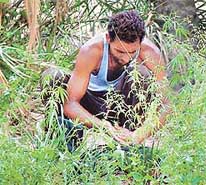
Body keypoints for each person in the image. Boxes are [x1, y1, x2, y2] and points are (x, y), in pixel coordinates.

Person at [45, 10, 169, 149]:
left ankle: (127, 144)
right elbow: (71, 103)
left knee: (142, 73)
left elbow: (167, 103)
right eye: (120, 51)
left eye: (133, 52)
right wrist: (102, 126)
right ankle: (65, 143)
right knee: (53, 76)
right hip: (90, 105)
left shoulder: (150, 52)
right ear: (108, 38)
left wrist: (140, 133)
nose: (126, 58)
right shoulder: (92, 50)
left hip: (123, 109)